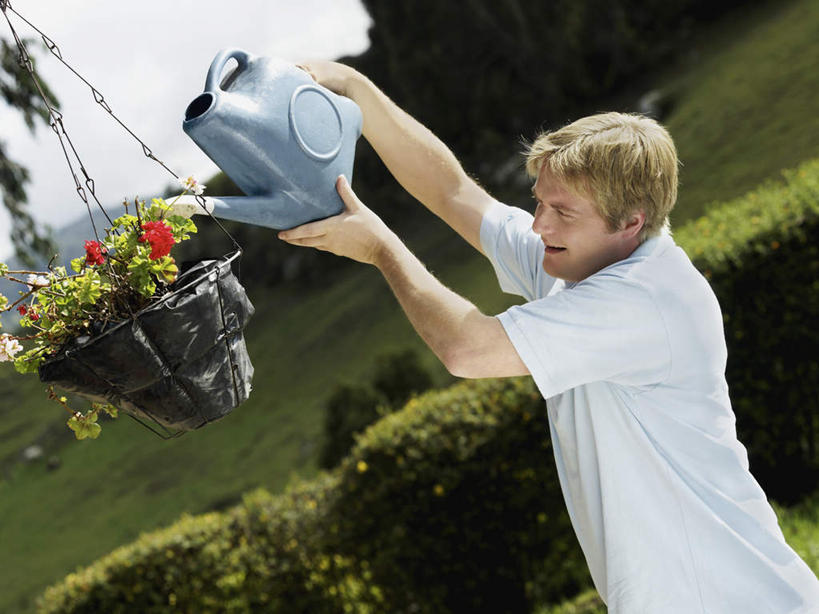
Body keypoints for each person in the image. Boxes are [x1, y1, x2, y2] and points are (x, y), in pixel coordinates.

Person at [278, 61, 819, 613]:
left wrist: (381, 249)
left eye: (562, 211)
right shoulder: (578, 260)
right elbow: (454, 192)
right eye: (540, 200)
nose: (540, 225)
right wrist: (356, 89)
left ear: (631, 221)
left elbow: (469, 350)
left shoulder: (645, 299)